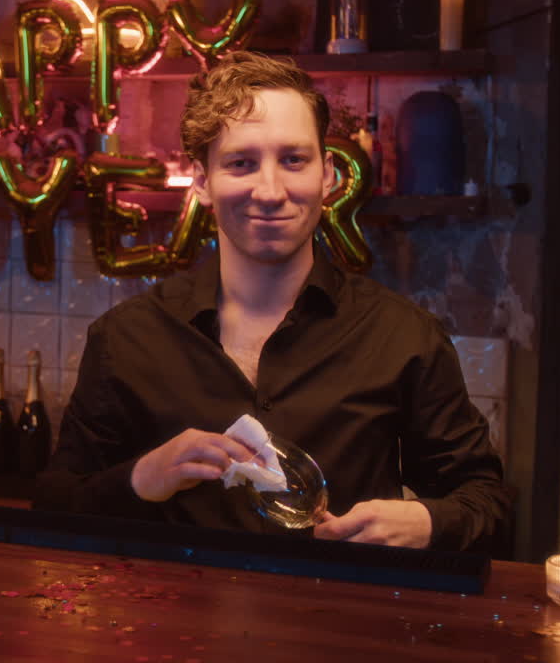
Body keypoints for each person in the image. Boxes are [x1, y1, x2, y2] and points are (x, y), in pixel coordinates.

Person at [34, 51, 509, 551]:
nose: (270, 190)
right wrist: (139, 478)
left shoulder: (404, 337)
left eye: (293, 160)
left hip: (337, 622)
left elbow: (487, 502)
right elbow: (54, 506)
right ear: (202, 181)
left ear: (327, 174)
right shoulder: (126, 339)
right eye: (241, 163)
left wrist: (429, 524)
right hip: (170, 624)